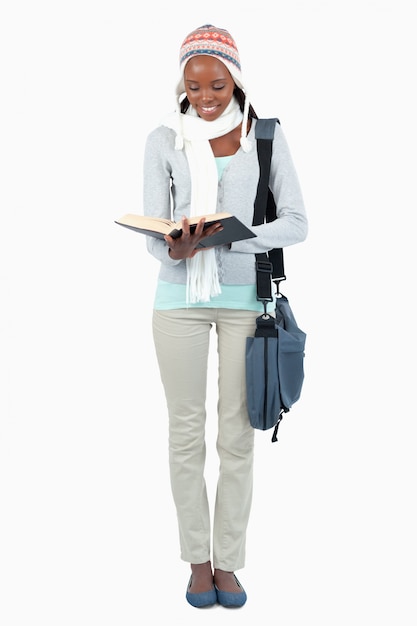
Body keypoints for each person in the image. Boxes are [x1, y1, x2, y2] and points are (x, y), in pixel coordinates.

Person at [143, 24, 307, 608]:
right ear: (182, 83)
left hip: (245, 304)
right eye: (194, 84)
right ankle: (197, 562)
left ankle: (230, 563)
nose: (205, 95)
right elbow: (153, 235)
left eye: (216, 83)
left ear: (235, 78)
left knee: (236, 437)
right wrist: (175, 246)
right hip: (178, 302)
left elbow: (296, 222)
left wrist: (232, 241)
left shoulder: (264, 136)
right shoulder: (163, 140)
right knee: (185, 436)